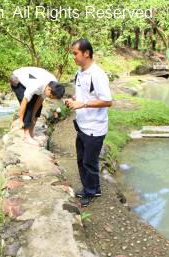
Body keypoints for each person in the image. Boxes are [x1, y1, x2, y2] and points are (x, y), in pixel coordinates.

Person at [64, 39, 113, 207]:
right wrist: (73, 100)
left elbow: (107, 101)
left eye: (75, 53)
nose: (73, 57)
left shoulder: (97, 74)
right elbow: (84, 95)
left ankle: (92, 191)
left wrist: (83, 104)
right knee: (81, 160)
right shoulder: (80, 72)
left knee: (89, 162)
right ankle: (89, 187)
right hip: (82, 125)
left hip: (95, 127)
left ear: (86, 53)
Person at [10, 67, 65, 145]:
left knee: (39, 107)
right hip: (17, 79)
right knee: (29, 106)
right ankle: (27, 136)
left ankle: (31, 132)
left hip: (31, 79)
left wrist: (33, 116)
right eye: (50, 96)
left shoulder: (54, 85)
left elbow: (39, 101)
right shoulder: (36, 85)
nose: (50, 98)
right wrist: (21, 120)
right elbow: (24, 102)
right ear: (49, 89)